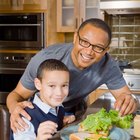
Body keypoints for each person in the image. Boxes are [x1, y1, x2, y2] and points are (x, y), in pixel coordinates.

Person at [7, 18, 138, 133]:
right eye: (84, 42)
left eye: (98, 47)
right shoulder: (45, 59)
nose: (88, 51)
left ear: (106, 50)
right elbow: (16, 95)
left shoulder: (108, 66)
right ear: (75, 37)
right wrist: (14, 108)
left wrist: (129, 101)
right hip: (41, 114)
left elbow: (125, 96)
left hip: (72, 114)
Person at [11, 59, 75, 140]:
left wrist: (63, 123)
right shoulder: (25, 118)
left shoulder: (59, 106)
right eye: (52, 86)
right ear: (38, 84)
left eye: (64, 85)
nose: (59, 93)